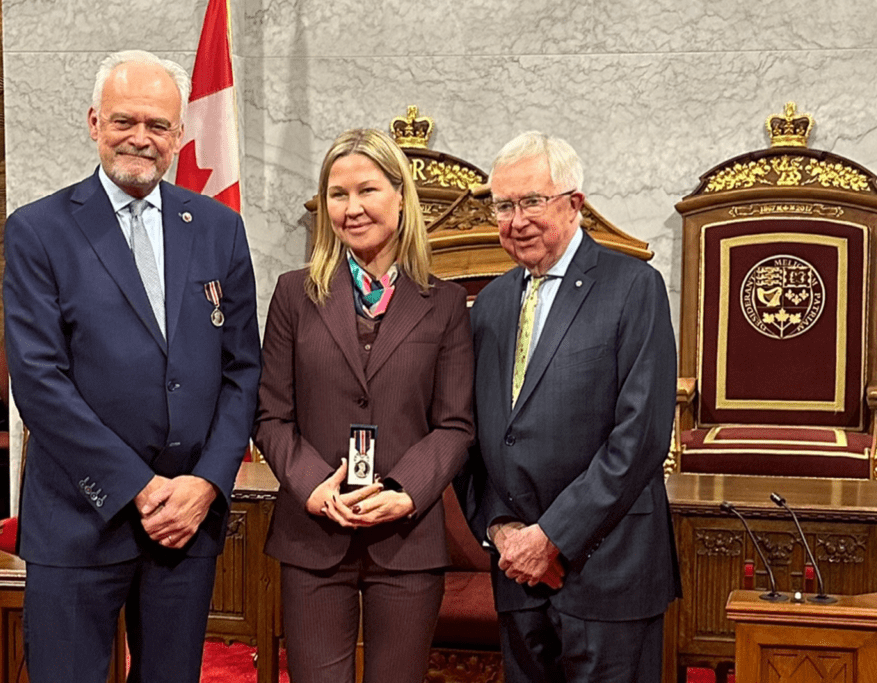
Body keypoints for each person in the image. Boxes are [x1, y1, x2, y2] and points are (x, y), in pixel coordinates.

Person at [2, 50, 260, 683]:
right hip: (79, 520)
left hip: (186, 524)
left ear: (178, 135)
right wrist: (141, 490)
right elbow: (39, 381)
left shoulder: (220, 229)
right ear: (94, 123)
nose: (141, 137)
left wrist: (205, 484)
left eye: (158, 124)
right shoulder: (38, 230)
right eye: (124, 121)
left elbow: (242, 371)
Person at [254, 128, 474, 683]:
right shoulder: (293, 294)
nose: (351, 208)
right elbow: (271, 415)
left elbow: (454, 425)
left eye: (367, 190)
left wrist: (404, 492)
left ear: (401, 196)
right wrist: (312, 486)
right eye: (337, 194)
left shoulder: (444, 303)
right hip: (314, 535)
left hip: (406, 536)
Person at [460, 131, 680, 682]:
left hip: (608, 570)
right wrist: (503, 530)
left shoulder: (634, 288)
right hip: (518, 574)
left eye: (532, 201)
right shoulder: (489, 303)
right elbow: (481, 435)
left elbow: (641, 438)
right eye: (504, 206)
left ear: (574, 203)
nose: (517, 220)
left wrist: (552, 536)